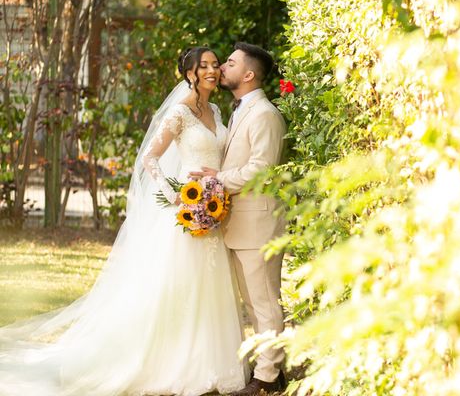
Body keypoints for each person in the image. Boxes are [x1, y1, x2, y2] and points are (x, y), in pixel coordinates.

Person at [0, 46, 249, 395]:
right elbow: (149, 157)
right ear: (190, 74)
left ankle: (209, 361)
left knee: (209, 288)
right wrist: (175, 192)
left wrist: (215, 191)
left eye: (214, 64)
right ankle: (172, 362)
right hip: (185, 213)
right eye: (203, 66)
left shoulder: (217, 110)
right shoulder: (180, 113)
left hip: (212, 211)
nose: (211, 70)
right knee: (178, 289)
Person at [189, 42, 287, 395]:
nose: (221, 68)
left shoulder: (264, 114)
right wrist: (220, 173)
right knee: (254, 303)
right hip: (241, 224)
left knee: (264, 303)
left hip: (258, 224)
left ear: (248, 75)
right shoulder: (242, 110)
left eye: (229, 63)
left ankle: (267, 379)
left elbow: (261, 169)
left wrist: (216, 181)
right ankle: (272, 368)